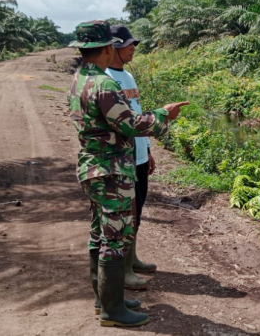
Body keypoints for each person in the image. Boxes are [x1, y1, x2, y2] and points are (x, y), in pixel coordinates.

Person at [67, 20, 188, 327]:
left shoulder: (80, 79)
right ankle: (113, 311)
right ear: (108, 48)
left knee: (100, 232)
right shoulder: (104, 85)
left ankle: (106, 299)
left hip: (91, 167)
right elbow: (131, 124)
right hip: (110, 171)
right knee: (116, 237)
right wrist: (164, 114)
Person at [105, 24, 156, 290]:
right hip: (120, 160)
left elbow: (137, 114)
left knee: (139, 211)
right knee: (126, 215)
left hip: (137, 156)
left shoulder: (128, 77)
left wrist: (146, 149)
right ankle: (123, 269)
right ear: (114, 47)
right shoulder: (106, 79)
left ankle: (132, 258)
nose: (133, 48)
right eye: (129, 44)